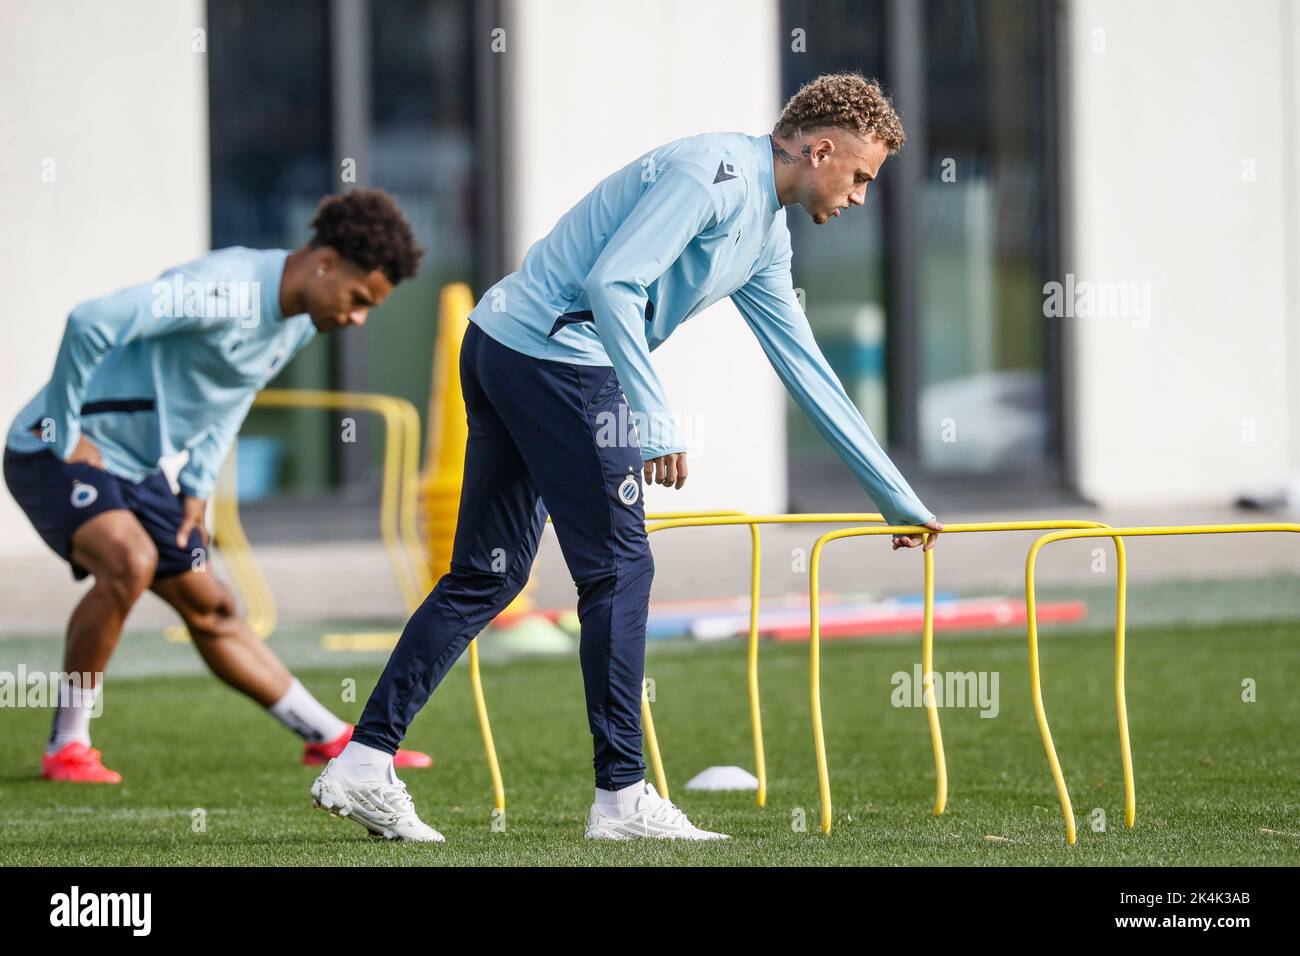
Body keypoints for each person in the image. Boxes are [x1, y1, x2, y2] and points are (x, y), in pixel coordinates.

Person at [311, 73, 943, 843]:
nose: (860, 198)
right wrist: (655, 419)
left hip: (505, 346)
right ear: (820, 150)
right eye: (862, 177)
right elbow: (614, 282)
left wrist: (894, 496)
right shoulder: (711, 174)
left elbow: (805, 368)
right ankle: (621, 800)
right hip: (556, 357)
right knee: (618, 568)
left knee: (490, 571)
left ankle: (365, 760)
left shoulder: (767, 238)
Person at [4, 189, 433, 784]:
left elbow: (234, 395)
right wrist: (62, 428)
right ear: (326, 262)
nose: (357, 318)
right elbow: (90, 321)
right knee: (131, 560)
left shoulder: (300, 320)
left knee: (214, 605)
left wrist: (199, 486)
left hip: (135, 465)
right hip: (47, 450)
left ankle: (327, 738)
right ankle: (67, 746)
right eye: (359, 299)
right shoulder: (222, 289)